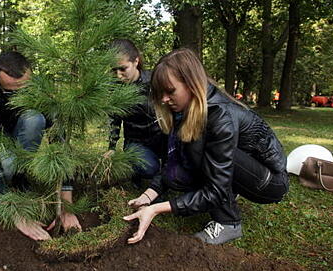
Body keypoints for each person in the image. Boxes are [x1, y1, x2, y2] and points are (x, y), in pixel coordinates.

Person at [123, 48, 289, 245]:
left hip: (269, 182)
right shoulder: (184, 109)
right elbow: (174, 158)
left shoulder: (220, 117)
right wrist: (149, 195)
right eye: (161, 93)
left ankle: (229, 223)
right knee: (183, 167)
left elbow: (216, 189)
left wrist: (157, 209)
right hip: (240, 169)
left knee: (200, 153)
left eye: (170, 91)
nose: (164, 100)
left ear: (191, 84)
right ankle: (229, 191)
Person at [0, 51, 81, 240]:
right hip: (0, 149)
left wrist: (66, 207)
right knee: (5, 168)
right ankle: (11, 181)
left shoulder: (41, 89)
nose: (20, 94)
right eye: (13, 90)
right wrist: (13, 211)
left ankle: (21, 178)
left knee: (34, 119)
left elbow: (61, 144)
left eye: (25, 88)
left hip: (23, 142)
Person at [104, 39, 164, 187]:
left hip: (162, 136)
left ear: (136, 61)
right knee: (150, 169)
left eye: (123, 69)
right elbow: (114, 119)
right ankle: (137, 171)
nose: (118, 75)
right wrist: (111, 147)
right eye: (114, 70)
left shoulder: (154, 80)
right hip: (135, 141)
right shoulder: (114, 88)